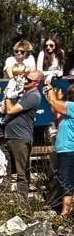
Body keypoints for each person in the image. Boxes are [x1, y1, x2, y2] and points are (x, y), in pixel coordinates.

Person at [2, 69, 43, 195]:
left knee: (21, 174)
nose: (25, 81)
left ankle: (22, 206)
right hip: (8, 136)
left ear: (36, 83)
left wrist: (8, 96)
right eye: (26, 78)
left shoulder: (33, 96)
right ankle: (3, 202)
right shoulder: (22, 93)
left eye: (29, 80)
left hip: (20, 138)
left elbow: (10, 111)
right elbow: (3, 109)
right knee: (3, 171)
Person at [47, 82, 74, 216]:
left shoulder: (73, 107)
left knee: (66, 180)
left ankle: (66, 212)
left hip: (69, 150)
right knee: (67, 179)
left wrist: (50, 89)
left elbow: (54, 102)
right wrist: (50, 94)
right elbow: (54, 108)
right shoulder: (69, 111)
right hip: (66, 150)